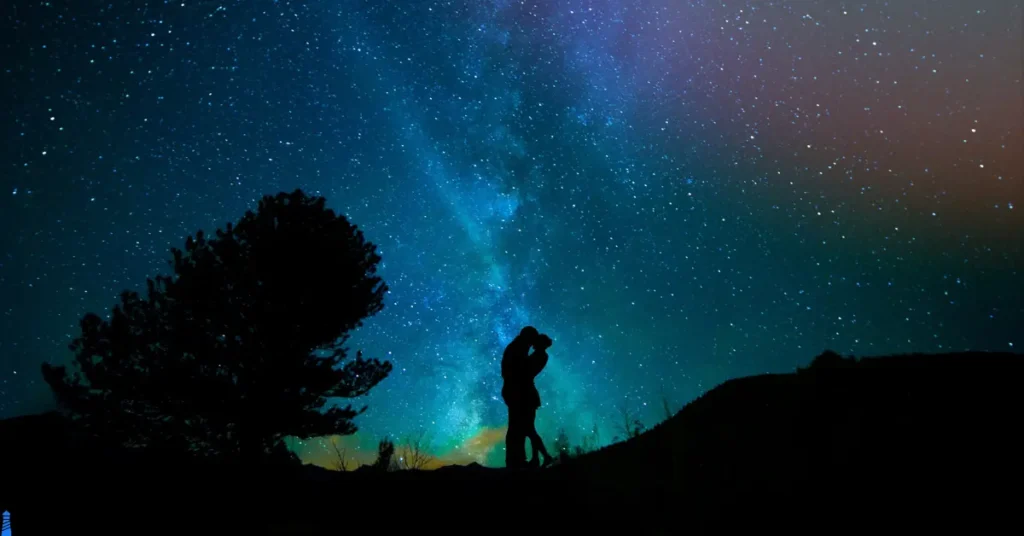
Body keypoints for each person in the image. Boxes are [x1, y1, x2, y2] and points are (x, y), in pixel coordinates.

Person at [501, 326, 554, 468]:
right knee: (527, 428)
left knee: (526, 429)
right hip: (525, 393)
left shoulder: (536, 355)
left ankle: (541, 457)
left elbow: (523, 370)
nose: (532, 343)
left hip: (525, 394)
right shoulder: (528, 352)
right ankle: (537, 458)